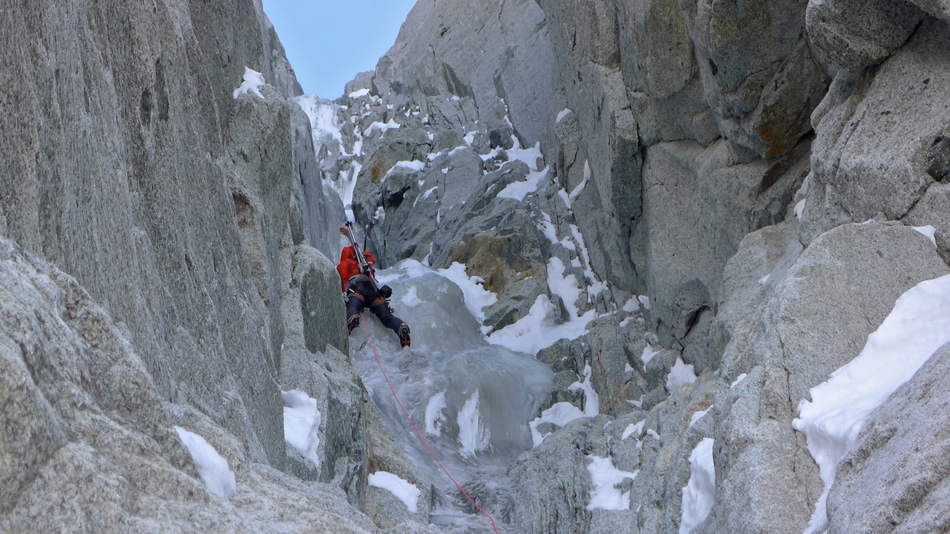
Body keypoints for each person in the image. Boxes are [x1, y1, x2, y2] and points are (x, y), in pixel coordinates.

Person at [336, 246, 411, 348]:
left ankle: (352, 317)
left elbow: (342, 284)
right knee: (387, 317)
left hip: (358, 291)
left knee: (353, 307)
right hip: (374, 293)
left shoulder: (347, 265)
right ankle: (401, 326)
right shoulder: (368, 268)